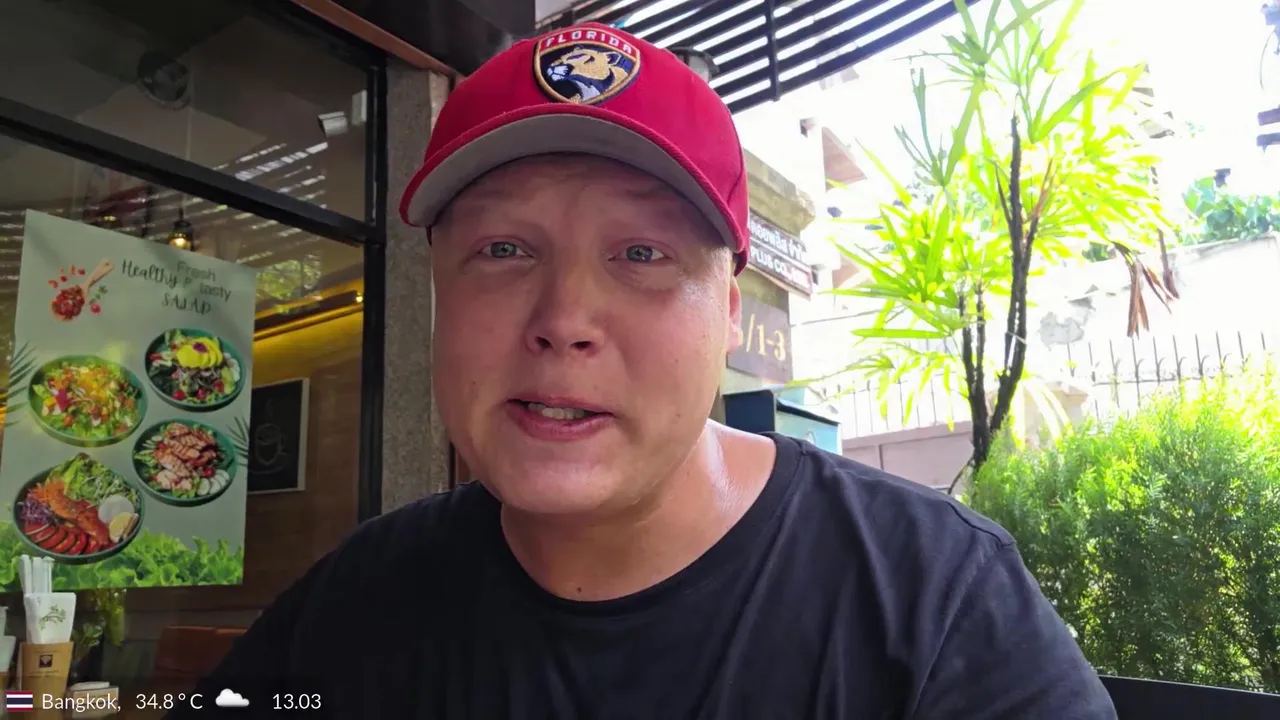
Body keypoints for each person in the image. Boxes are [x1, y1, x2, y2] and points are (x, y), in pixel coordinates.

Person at [171, 22, 1116, 719]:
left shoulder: (934, 604)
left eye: (642, 255)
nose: (564, 322)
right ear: (439, 297)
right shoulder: (358, 604)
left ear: (729, 313)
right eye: (503, 250)